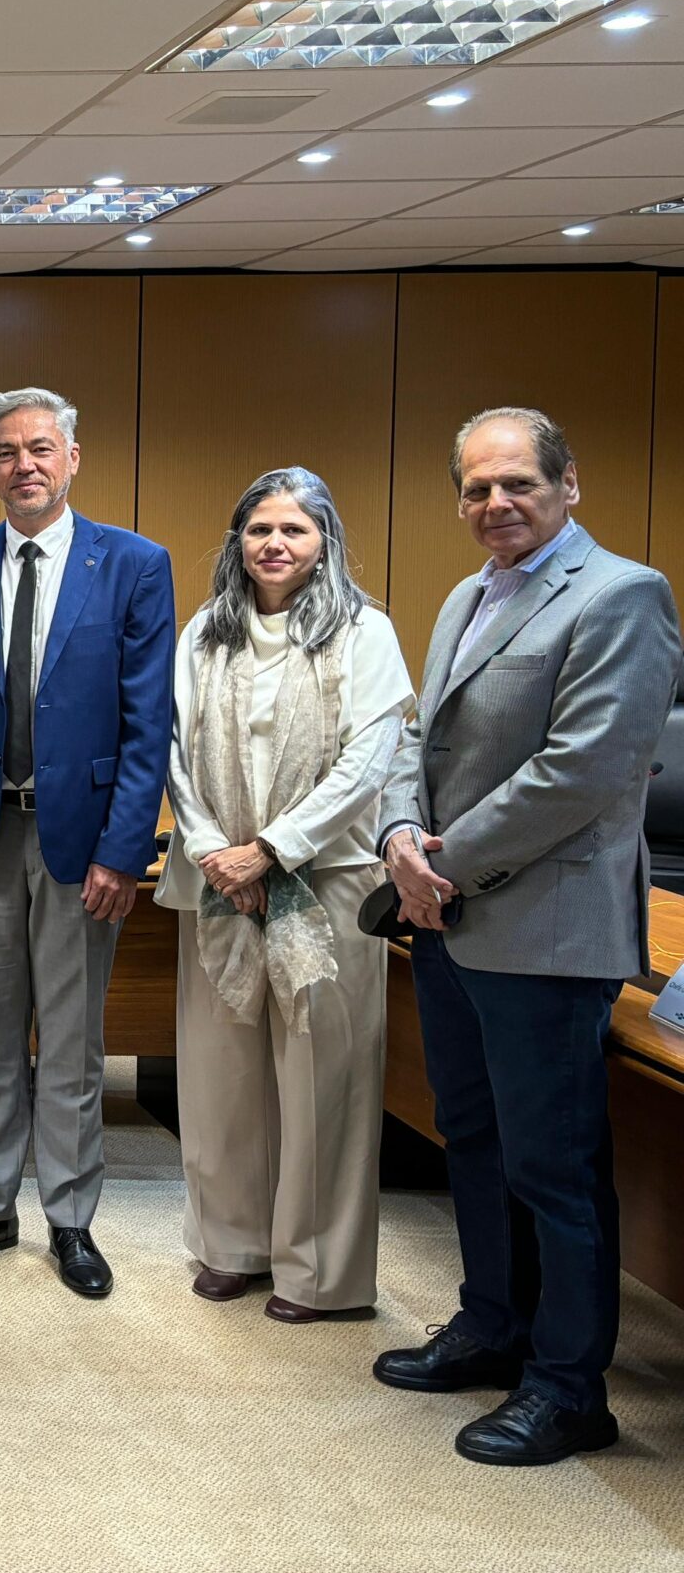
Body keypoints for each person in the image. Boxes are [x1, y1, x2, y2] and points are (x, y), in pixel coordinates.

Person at [372, 407, 680, 1467]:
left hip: (546, 933)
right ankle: (492, 1325)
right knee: (473, 1139)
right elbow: (419, 735)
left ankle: (567, 1386)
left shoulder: (621, 595)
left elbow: (584, 771)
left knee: (553, 1166)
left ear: (567, 484)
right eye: (475, 489)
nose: (494, 504)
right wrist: (400, 832)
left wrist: (439, 861)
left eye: (516, 484)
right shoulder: (467, 593)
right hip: (448, 921)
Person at [0, 386, 172, 1299]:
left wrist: (122, 850)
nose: (24, 465)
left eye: (40, 449)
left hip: (81, 839)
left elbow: (149, 724)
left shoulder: (135, 565)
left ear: (72, 459)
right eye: (6, 452)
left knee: (72, 1041)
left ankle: (70, 1219)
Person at [156, 468, 414, 1322]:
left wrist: (272, 850)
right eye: (259, 528)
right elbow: (174, 755)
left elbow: (369, 760)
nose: (274, 544)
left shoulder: (364, 633)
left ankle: (321, 1275)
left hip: (327, 878)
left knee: (321, 1083)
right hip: (218, 880)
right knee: (221, 1075)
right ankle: (233, 1244)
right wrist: (211, 849)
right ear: (237, 540)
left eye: (294, 531)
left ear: (324, 543)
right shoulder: (206, 634)